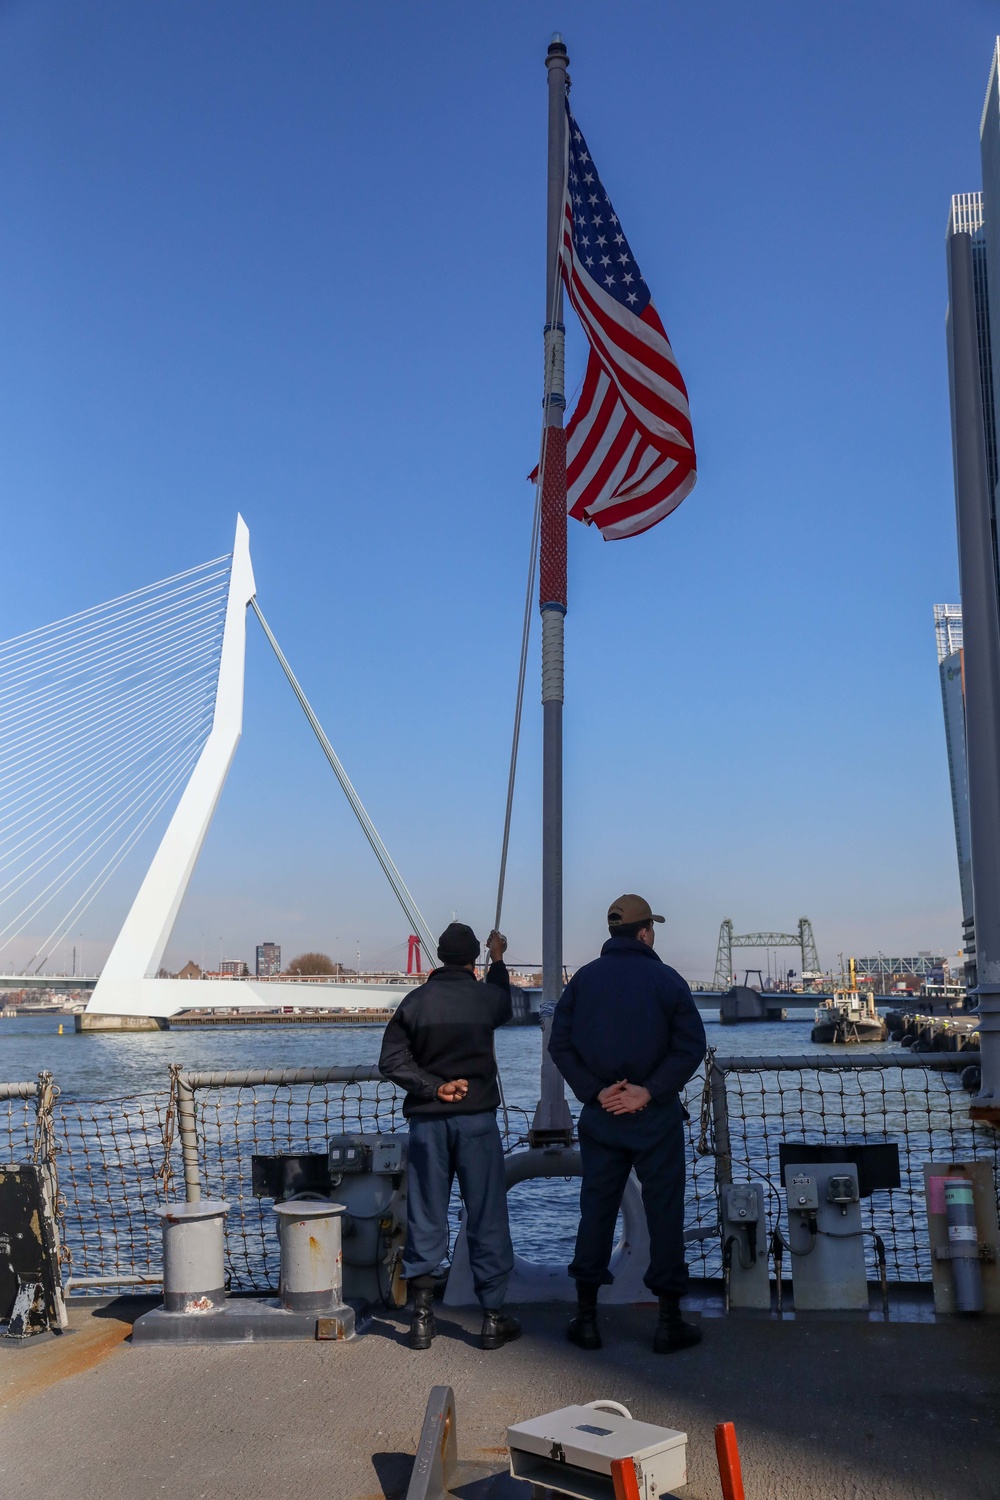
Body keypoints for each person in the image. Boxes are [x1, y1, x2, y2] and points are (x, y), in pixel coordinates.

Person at [548, 894, 707, 1354]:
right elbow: (690, 1045)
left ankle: (587, 1319)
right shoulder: (667, 979)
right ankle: (669, 1322)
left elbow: (561, 1045)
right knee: (666, 1214)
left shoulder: (584, 981)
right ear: (644, 932)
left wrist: (596, 1091)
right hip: (653, 1117)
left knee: (596, 1210)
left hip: (601, 1115)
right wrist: (649, 1090)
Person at [378, 920, 521, 1352]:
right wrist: (499, 960)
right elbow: (504, 1005)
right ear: (473, 957)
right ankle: (492, 1319)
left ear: (439, 956)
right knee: (486, 1215)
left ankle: (422, 1320)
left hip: (429, 1123)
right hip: (477, 1121)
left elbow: (391, 1060)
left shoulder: (415, 1003)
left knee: (425, 1214)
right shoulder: (485, 999)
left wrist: (431, 1087)